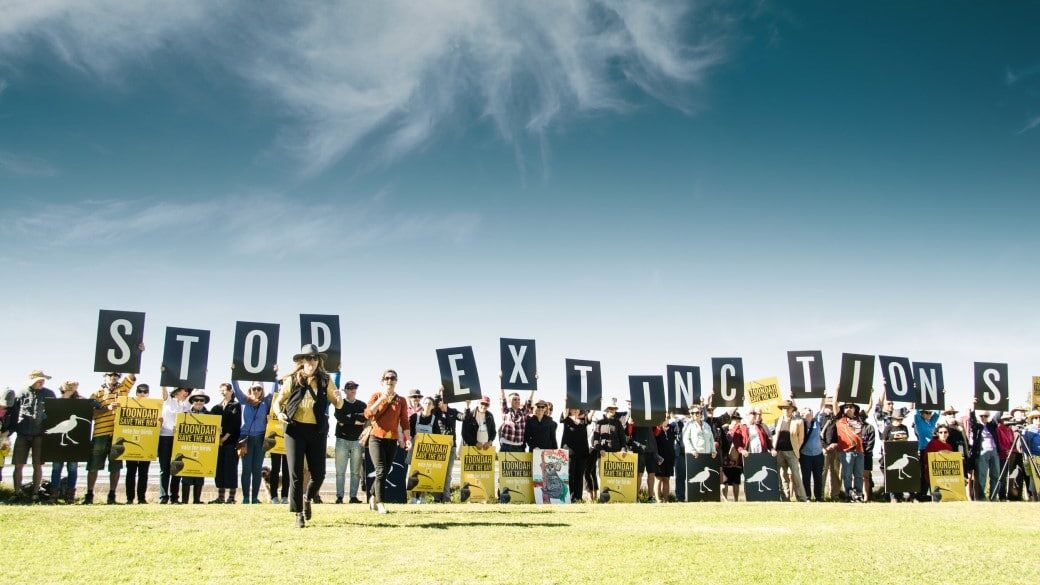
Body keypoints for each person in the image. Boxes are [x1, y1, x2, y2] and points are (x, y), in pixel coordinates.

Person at [272, 344, 344, 528]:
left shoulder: (325, 380)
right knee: (295, 473)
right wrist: (279, 413)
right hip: (294, 429)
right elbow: (278, 401)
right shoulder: (292, 380)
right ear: (302, 361)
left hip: (316, 431)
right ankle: (298, 514)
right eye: (308, 358)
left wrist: (339, 398)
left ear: (318, 361)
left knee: (319, 474)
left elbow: (338, 405)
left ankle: (307, 498)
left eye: (314, 358)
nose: (311, 361)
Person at [85, 370, 137, 505]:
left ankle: (112, 495)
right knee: (93, 465)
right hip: (100, 434)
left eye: (116, 375)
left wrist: (138, 352)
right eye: (110, 375)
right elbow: (90, 414)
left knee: (116, 466)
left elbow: (132, 374)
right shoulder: (97, 393)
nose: (113, 377)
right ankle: (89, 494)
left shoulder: (123, 388)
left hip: (118, 435)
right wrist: (107, 408)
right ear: (105, 377)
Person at [365, 368, 411, 514]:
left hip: (392, 440)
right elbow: (368, 413)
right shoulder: (376, 395)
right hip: (376, 438)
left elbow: (404, 421)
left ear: (396, 381)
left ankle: (372, 495)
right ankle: (380, 503)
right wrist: (381, 400)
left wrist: (407, 439)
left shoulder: (401, 400)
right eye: (387, 378)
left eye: (393, 378)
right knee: (381, 470)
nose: (390, 381)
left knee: (383, 473)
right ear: (382, 381)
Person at [230, 372, 276, 505]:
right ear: (250, 389)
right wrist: (234, 372)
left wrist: (274, 375)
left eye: (259, 388)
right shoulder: (244, 400)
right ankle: (245, 498)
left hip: (261, 438)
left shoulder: (266, 402)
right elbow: (236, 388)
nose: (256, 391)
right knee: (246, 469)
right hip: (246, 439)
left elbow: (274, 391)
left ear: (262, 390)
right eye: (254, 388)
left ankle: (254, 498)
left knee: (257, 470)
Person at [11, 370, 57, 500]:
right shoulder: (21, 393)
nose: (41, 382)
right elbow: (13, 414)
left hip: (40, 435)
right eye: (38, 380)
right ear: (32, 380)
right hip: (22, 434)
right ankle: (17, 493)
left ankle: (35, 494)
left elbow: (55, 413)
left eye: (43, 380)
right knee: (18, 465)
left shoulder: (49, 394)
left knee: (37, 465)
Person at [407, 396, 446, 503]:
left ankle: (422, 498)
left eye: (430, 403)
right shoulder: (415, 417)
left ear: (433, 406)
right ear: (422, 404)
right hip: (414, 449)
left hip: (427, 451)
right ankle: (413, 498)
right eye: (425, 403)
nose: (427, 405)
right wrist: (412, 437)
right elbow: (408, 431)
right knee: (412, 474)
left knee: (424, 474)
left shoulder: (435, 420)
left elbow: (438, 436)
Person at [333, 379, 366, 504]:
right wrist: (354, 419)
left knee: (355, 472)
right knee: (340, 471)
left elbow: (364, 418)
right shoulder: (340, 403)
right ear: (345, 390)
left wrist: (349, 418)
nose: (353, 390)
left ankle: (353, 497)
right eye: (350, 387)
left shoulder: (362, 405)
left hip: (357, 441)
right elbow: (340, 418)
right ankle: (339, 497)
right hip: (342, 439)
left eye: (355, 388)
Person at [50, 380, 83, 502]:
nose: (71, 390)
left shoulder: (81, 401)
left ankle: (70, 496)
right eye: (69, 388)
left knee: (73, 468)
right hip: (57, 441)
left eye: (73, 388)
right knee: (56, 467)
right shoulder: (56, 402)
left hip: (75, 441)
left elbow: (94, 407)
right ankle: (54, 494)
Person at [209, 383, 241, 504]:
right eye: (221, 390)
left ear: (231, 391)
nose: (223, 392)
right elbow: (209, 419)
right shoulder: (217, 407)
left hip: (231, 443)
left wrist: (223, 439)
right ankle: (220, 497)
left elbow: (235, 424)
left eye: (225, 390)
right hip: (217, 444)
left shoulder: (236, 405)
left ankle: (231, 498)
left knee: (231, 469)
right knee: (219, 470)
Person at [158, 386, 190, 504]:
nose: (186, 392)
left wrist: (203, 374)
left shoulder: (185, 404)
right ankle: (163, 496)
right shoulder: (168, 400)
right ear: (177, 391)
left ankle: (174, 497)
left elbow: (195, 391)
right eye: (184, 390)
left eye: (187, 391)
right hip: (165, 438)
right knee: (164, 468)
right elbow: (164, 391)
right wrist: (164, 379)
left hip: (178, 439)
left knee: (176, 468)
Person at [124, 383, 155, 504]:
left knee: (143, 473)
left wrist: (159, 421)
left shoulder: (154, 405)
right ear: (136, 392)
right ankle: (129, 498)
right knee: (130, 472)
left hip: (146, 444)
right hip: (131, 443)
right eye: (140, 391)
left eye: (145, 392)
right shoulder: (129, 403)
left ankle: (141, 498)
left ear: (148, 393)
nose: (142, 394)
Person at [829, 402, 866, 502]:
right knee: (847, 475)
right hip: (846, 451)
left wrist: (870, 395)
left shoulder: (859, 419)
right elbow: (835, 404)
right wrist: (838, 389)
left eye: (851, 407)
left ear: (855, 409)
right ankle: (849, 495)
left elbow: (870, 407)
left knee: (859, 475)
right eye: (846, 407)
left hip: (859, 450)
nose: (848, 409)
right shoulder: (840, 420)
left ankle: (859, 494)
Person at [590, 401, 626, 502]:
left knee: (614, 476)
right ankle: (602, 499)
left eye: (614, 409)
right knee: (602, 476)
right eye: (610, 409)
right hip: (603, 454)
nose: (612, 410)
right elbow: (596, 440)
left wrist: (623, 449)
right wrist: (600, 449)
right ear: (606, 410)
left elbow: (623, 439)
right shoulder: (599, 422)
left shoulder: (618, 423)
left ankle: (615, 499)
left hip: (616, 454)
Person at [773, 400, 808, 502]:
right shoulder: (777, 420)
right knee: (782, 476)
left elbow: (801, 439)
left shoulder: (799, 421)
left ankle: (802, 497)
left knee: (796, 475)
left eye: (788, 408)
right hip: (779, 452)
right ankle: (785, 497)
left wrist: (796, 449)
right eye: (784, 408)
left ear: (792, 409)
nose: (786, 410)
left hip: (792, 452)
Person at [180, 389, 210, 504]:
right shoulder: (185, 414)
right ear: (192, 401)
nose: (198, 402)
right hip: (187, 447)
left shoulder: (210, 415)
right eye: (196, 400)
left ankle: (197, 500)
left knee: (200, 474)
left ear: (204, 402)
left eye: (201, 400)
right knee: (186, 475)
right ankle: (184, 500)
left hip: (202, 449)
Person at [433, 394, 465, 503]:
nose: (440, 402)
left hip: (452, 447)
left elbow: (464, 417)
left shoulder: (453, 411)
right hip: (438, 447)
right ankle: (437, 498)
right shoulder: (436, 412)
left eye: (442, 400)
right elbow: (433, 402)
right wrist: (439, 392)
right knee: (437, 472)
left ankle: (446, 498)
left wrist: (467, 405)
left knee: (448, 473)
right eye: (439, 401)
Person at [968, 402, 1001, 501]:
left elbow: (998, 415)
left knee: (996, 474)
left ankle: (993, 496)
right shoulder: (976, 426)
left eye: (986, 416)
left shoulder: (991, 425)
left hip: (994, 451)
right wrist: (973, 406)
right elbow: (972, 418)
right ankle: (981, 497)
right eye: (981, 416)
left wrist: (1003, 403)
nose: (983, 418)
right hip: (981, 452)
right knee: (982, 475)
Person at [880, 411, 911, 502]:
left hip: (901, 453)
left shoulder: (904, 427)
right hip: (891, 454)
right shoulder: (888, 428)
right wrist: (885, 451)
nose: (899, 421)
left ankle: (902, 495)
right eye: (897, 419)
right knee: (892, 475)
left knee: (901, 474)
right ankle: (893, 497)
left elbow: (906, 439)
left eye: (901, 419)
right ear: (892, 419)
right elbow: (883, 441)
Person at [561, 409, 591, 503]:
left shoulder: (583, 421)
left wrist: (596, 402)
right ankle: (570, 497)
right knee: (570, 475)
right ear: (569, 410)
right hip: (570, 453)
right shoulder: (567, 419)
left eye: (576, 409)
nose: (575, 411)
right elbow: (565, 411)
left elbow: (590, 415)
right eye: (572, 409)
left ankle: (578, 497)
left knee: (579, 475)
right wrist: (566, 401)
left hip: (582, 453)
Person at [799, 407, 825, 502]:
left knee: (818, 476)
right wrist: (792, 397)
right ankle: (807, 497)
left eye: (810, 411)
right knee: (806, 477)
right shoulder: (800, 424)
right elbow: (796, 410)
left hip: (818, 454)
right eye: (806, 411)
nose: (809, 412)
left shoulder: (817, 423)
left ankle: (819, 497)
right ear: (803, 414)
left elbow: (822, 411)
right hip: (805, 454)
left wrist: (824, 396)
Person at [819, 396, 842, 500]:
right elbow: (817, 434)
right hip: (824, 450)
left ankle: (835, 495)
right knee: (823, 473)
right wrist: (824, 447)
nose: (829, 408)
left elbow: (841, 433)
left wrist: (836, 444)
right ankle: (821, 495)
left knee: (835, 472)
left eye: (831, 406)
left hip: (836, 449)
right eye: (827, 405)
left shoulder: (839, 418)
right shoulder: (820, 418)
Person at [922, 424, 954, 497]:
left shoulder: (949, 446)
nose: (943, 434)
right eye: (941, 432)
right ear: (937, 433)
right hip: (934, 475)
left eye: (945, 432)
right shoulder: (932, 443)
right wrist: (940, 453)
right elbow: (926, 458)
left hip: (946, 475)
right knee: (937, 498)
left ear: (948, 434)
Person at [499, 388, 533, 452]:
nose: (517, 401)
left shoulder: (523, 412)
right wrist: (501, 382)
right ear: (509, 401)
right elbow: (502, 398)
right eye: (514, 399)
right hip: (506, 445)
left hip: (519, 446)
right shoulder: (506, 410)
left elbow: (529, 401)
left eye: (518, 399)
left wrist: (533, 389)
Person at [721, 413, 744, 502]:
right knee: (724, 481)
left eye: (738, 419)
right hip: (725, 459)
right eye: (734, 419)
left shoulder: (741, 430)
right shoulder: (724, 429)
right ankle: (725, 500)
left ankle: (736, 500)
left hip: (736, 460)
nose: (736, 420)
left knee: (736, 482)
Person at [652, 417, 676, 502]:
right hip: (659, 458)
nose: (665, 420)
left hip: (669, 458)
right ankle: (658, 499)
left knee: (666, 479)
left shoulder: (672, 428)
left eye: (667, 418)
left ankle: (666, 500)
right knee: (658, 478)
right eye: (664, 418)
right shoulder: (656, 429)